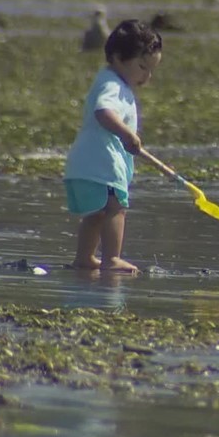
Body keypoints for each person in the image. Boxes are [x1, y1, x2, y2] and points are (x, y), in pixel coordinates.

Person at [64, 20, 163, 274]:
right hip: (103, 161)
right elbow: (103, 112)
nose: (146, 76)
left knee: (97, 213)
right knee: (116, 208)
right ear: (119, 58)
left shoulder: (107, 80)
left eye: (151, 70)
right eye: (142, 67)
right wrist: (127, 133)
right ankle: (112, 259)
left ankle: (84, 258)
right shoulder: (113, 86)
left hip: (86, 162)